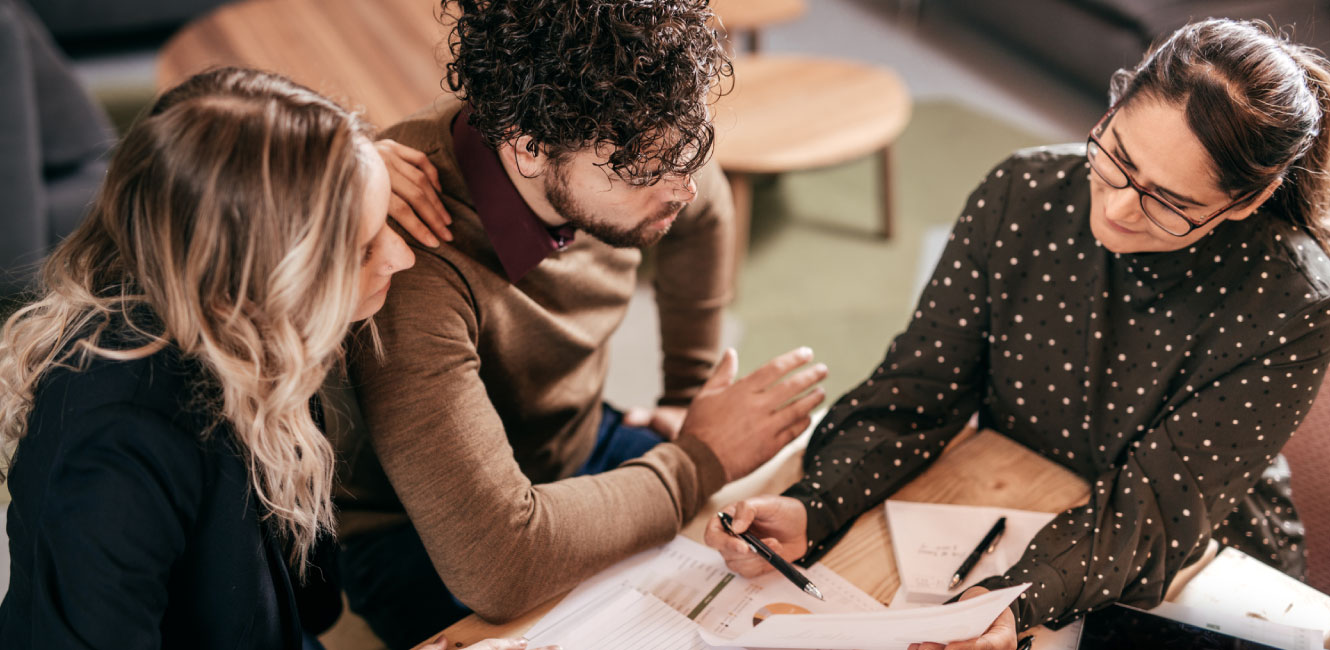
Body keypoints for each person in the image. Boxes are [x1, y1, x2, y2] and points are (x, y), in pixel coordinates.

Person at [704, 18, 1330, 650]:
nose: (1116, 209)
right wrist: (818, 504)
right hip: (1008, 501)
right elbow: (918, 391)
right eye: (1117, 156)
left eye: (1167, 203)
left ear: (1250, 200)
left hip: (1191, 558)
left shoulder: (1294, 306)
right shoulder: (1021, 193)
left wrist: (1016, 598)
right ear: (1113, 105)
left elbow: (1154, 513)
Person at [330, 0, 828, 647]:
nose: (685, 188)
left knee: (767, 557)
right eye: (650, 172)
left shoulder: (642, 131)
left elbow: (703, 215)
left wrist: (683, 396)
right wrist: (699, 458)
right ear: (530, 147)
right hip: (423, 531)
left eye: (689, 153)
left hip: (570, 447)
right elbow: (498, 565)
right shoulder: (412, 254)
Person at [0, 67, 544, 650]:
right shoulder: (119, 453)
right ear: (256, 282)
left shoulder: (252, 341)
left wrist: (352, 173)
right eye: (362, 248)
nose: (401, 258)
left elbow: (288, 617)